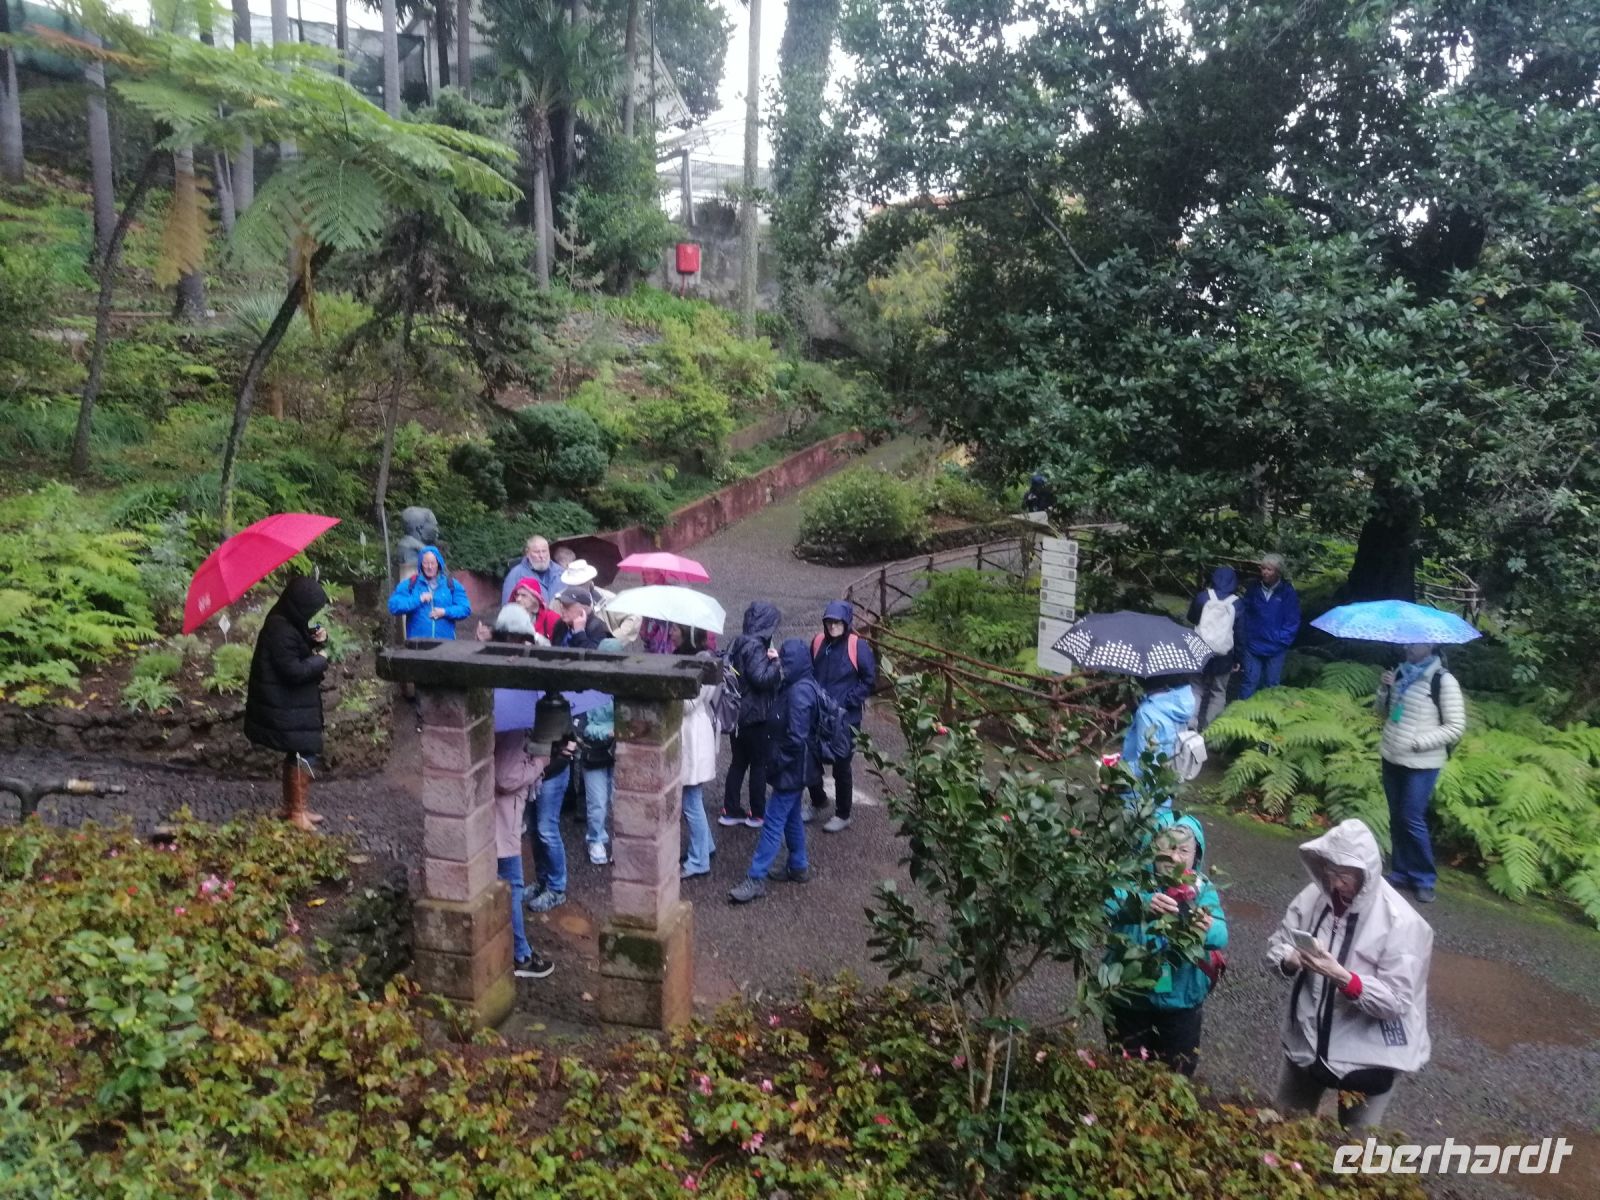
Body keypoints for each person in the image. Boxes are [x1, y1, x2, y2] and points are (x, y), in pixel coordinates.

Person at [1266, 819, 1433, 1129]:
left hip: (1369, 1059)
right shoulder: (1312, 898)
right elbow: (1277, 945)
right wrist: (1290, 959)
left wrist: (1345, 979)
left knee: (1355, 1149)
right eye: (1329, 873)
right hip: (1307, 1043)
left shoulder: (1402, 923)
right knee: (1284, 1128)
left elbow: (1397, 1002)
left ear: (1366, 874)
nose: (1335, 884)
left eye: (1344, 875)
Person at [1102, 816, 1228, 1076]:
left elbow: (1221, 935)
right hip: (1129, 996)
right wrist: (1142, 904)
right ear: (1151, 847)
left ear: (1196, 855)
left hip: (1180, 1002)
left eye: (1184, 850)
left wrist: (1204, 927)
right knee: (1126, 1072)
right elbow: (1106, 907)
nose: (1175, 857)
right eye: (1167, 847)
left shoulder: (1202, 889)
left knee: (1176, 1074)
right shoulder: (1130, 878)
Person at [729, 638, 822, 903]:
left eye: (785, 660)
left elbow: (796, 737)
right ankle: (799, 865)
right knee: (791, 815)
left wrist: (777, 763)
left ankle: (755, 878)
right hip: (796, 768)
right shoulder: (797, 684)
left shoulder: (799, 693)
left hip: (792, 769)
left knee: (772, 821)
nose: (781, 664)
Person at [1376, 644, 1466, 904]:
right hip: (1392, 756)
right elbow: (1384, 714)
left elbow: (1456, 726)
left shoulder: (1443, 680)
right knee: (1396, 817)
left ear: (1430, 646)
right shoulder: (1401, 674)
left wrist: (1419, 742)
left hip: (1422, 763)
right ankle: (1401, 872)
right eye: (1406, 642)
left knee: (1411, 817)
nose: (1407, 647)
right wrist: (1385, 688)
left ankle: (1425, 878)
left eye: (1414, 642)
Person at [243, 574, 331, 831]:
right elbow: (293, 670)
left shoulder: (287, 621)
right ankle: (296, 811)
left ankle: (292, 807)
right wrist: (321, 659)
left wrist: (316, 638)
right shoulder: (279, 628)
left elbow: (296, 646)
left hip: (291, 704)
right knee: (305, 752)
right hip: (285, 705)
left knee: (299, 752)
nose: (311, 613)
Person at [804, 601, 878, 833]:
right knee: (810, 759)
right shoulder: (817, 642)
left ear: (846, 622)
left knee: (841, 765)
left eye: (837, 621)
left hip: (845, 718)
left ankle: (843, 814)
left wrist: (847, 701)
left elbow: (869, 679)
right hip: (819, 713)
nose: (833, 625)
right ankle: (817, 800)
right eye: (829, 621)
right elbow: (809, 670)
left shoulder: (858, 646)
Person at [492, 729, 555, 979]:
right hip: (502, 822)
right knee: (513, 886)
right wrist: (540, 762)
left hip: (500, 821)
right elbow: (505, 778)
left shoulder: (511, 728)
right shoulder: (515, 734)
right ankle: (521, 956)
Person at [721, 602, 784, 827]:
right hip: (756, 716)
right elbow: (761, 679)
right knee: (758, 764)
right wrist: (776, 662)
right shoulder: (756, 646)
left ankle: (730, 809)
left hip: (736, 712)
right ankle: (757, 813)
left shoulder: (736, 642)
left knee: (738, 762)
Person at [671, 624, 719, 879]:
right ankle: (705, 845)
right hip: (692, 733)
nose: (671, 633)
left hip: (692, 733)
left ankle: (699, 859)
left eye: (676, 630)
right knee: (693, 799)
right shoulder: (696, 658)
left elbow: (689, 703)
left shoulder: (701, 663)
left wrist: (669, 689)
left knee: (691, 801)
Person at [576, 638, 623, 866]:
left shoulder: (624, 687)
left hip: (617, 752)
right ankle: (596, 839)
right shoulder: (588, 688)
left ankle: (619, 841)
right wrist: (609, 731)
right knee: (597, 802)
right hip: (595, 752)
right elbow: (582, 726)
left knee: (619, 800)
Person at [526, 720, 579, 914]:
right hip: (531, 772)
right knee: (534, 830)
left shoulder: (557, 708)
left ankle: (556, 888)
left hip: (551, 774)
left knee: (546, 829)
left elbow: (571, 743)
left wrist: (541, 770)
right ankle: (542, 882)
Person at [1120, 676, 1199, 799]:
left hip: (1140, 795)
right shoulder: (1178, 704)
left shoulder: (1147, 712)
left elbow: (1146, 764)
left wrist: (1116, 773)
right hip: (1163, 788)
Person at [1186, 566, 1243, 731]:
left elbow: (1192, 618)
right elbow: (1240, 633)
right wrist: (1238, 659)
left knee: (1196, 687)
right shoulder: (1237, 603)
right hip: (1223, 655)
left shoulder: (1203, 597)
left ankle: (1191, 723)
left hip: (1199, 651)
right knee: (1218, 691)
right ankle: (1210, 730)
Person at [1238, 553, 1300, 699]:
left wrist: (1282, 640)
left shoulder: (1287, 593)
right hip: (1253, 645)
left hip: (1276, 647)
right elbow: (1244, 613)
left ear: (1278, 572)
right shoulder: (1253, 590)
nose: (1265, 572)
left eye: (1269, 569)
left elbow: (1293, 620)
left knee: (1272, 683)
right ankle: (1240, 715)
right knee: (1249, 682)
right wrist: (1246, 637)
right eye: (1263, 568)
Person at [387, 545, 471, 640]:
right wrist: (418, 599)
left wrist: (445, 612)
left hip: (445, 645)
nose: (429, 567)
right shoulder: (411, 584)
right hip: (417, 646)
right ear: (420, 564)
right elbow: (393, 606)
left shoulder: (451, 584)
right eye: (426, 563)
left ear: (438, 563)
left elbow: (465, 609)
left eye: (433, 563)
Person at [478, 577, 562, 643]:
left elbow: (557, 647)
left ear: (535, 598)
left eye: (524, 595)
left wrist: (535, 640)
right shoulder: (508, 616)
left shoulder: (551, 618)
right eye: (517, 595)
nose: (518, 599)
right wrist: (487, 636)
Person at [502, 534, 564, 607]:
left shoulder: (560, 572)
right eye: (537, 552)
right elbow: (508, 607)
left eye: (544, 551)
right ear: (527, 553)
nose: (541, 556)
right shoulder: (515, 575)